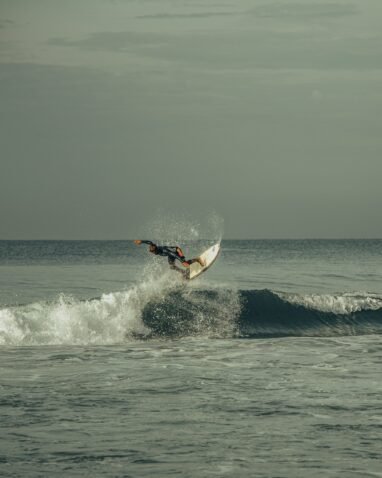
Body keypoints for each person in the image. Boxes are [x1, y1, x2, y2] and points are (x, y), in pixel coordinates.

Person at [134, 240, 205, 272]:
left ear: (156, 250)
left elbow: (173, 253)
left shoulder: (164, 250)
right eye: (152, 252)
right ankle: (183, 273)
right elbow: (149, 242)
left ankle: (197, 259)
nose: (153, 253)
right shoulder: (154, 247)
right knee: (172, 267)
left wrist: (182, 258)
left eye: (154, 252)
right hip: (170, 254)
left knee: (185, 264)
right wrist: (141, 242)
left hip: (176, 251)